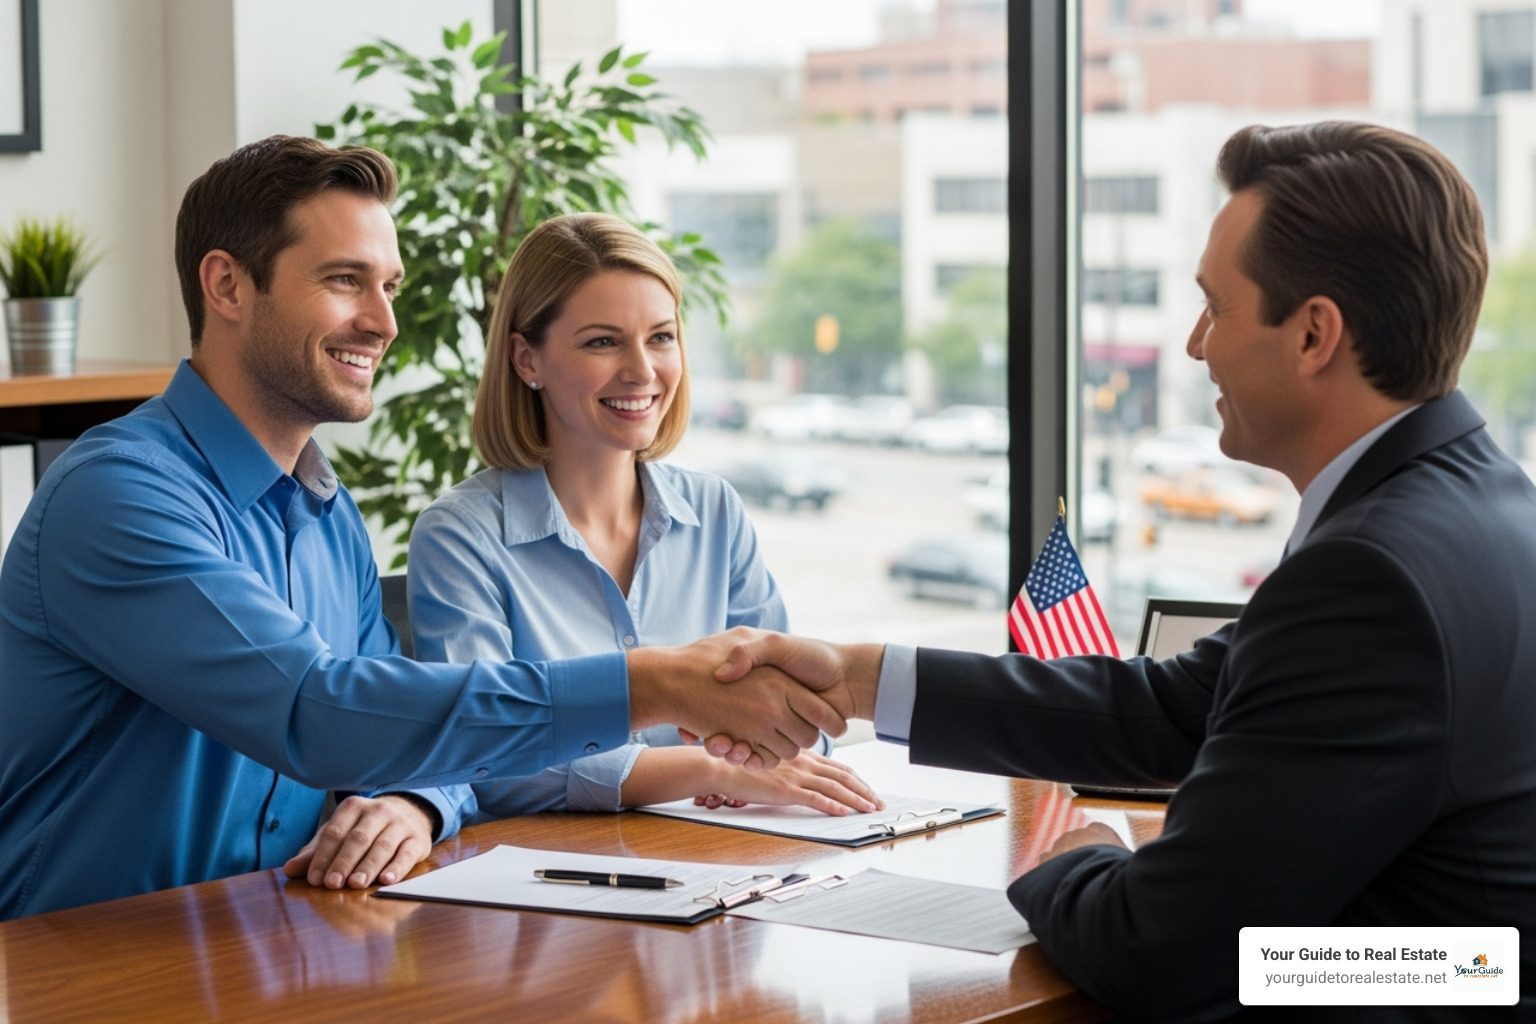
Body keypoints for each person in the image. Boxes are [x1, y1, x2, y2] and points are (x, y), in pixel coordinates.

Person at [704, 121, 1536, 1021]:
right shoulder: (1480, 505)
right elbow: (1171, 708)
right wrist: (864, 677)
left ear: (1314, 335)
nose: (1194, 344)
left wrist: (1068, 851)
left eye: (1215, 307)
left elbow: (1162, 953)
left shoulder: (1373, 575)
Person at [0, 136, 840, 921]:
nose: (384, 321)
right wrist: (648, 684)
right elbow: (316, 711)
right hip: (79, 960)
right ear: (226, 286)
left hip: (273, 945)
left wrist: (412, 800)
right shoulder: (118, 495)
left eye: (388, 286)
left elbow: (405, 731)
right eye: (343, 281)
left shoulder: (329, 516)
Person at [406, 213, 880, 824]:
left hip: (724, 860)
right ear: (527, 359)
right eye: (603, 341)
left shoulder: (715, 512)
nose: (643, 370)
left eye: (661, 337)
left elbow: (796, 722)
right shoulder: (460, 536)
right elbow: (484, 758)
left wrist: (766, 754)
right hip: (550, 891)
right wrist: (713, 767)